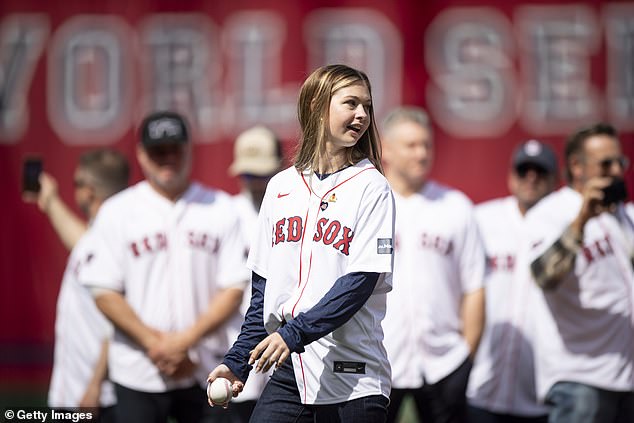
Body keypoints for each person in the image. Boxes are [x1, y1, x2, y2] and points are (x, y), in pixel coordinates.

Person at [208, 64, 396, 422]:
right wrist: (238, 363)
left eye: (367, 107)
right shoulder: (280, 187)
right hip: (291, 372)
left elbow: (359, 284)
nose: (362, 115)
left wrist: (292, 334)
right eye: (350, 103)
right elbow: (263, 294)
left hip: (353, 375)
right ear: (315, 106)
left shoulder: (372, 187)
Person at [79, 111, 249, 423]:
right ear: (142, 154)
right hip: (138, 368)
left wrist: (184, 342)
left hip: (204, 368)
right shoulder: (118, 211)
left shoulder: (221, 208)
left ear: (188, 150)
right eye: (158, 151)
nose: (167, 158)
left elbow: (234, 287)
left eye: (175, 148)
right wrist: (157, 344)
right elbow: (104, 291)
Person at [380, 106, 486, 423]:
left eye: (427, 145)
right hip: (379, 360)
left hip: (444, 362)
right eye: (411, 145)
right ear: (385, 148)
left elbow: (475, 286)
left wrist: (466, 355)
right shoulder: (367, 203)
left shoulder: (455, 206)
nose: (422, 153)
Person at [525, 123, 634, 423]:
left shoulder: (622, 215)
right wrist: (581, 221)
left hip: (625, 374)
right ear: (576, 166)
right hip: (580, 377)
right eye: (605, 163)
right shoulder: (550, 213)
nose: (616, 170)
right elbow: (544, 276)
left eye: (620, 162)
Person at [24, 149, 129, 421]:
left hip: (97, 397)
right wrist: (50, 201)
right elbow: (79, 239)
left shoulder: (114, 241)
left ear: (89, 192)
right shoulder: (100, 237)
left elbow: (118, 321)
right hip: (78, 393)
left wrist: (94, 386)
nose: (75, 192)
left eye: (77, 184)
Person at [466, 140, 558, 423]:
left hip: (542, 389)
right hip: (481, 383)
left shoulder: (566, 225)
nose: (531, 178)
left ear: (554, 180)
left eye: (540, 172)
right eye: (524, 170)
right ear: (511, 175)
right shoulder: (481, 219)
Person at [225, 125, 284, 421]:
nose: (257, 182)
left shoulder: (296, 208)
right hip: (237, 337)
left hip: (287, 341)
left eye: (263, 173)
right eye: (250, 174)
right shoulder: (225, 213)